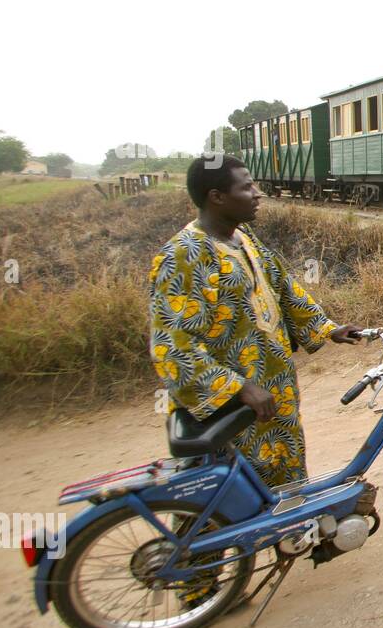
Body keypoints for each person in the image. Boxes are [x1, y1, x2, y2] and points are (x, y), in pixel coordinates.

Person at [149, 156, 362, 487]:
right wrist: (239, 389)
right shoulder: (185, 255)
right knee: (225, 505)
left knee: (282, 497)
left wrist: (326, 328)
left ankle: (293, 538)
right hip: (234, 413)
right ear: (217, 197)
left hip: (273, 399)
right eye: (247, 187)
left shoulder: (243, 238)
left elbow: (283, 288)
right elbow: (172, 346)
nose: (258, 193)